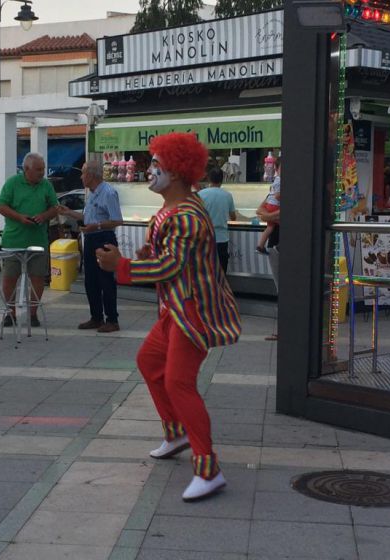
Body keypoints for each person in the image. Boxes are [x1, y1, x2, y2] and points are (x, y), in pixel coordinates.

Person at [96, 133, 241, 502]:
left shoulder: (187, 216)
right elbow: (169, 255)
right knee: (148, 361)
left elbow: (171, 266)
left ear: (175, 172)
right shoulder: (171, 211)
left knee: (179, 383)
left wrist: (122, 266)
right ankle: (176, 433)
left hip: (191, 311)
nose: (149, 170)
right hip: (174, 309)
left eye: (156, 164)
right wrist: (147, 251)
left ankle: (208, 469)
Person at [58, 160, 124, 333]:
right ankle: (96, 317)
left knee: (106, 280)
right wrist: (68, 212)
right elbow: (88, 218)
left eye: (83, 172)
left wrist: (97, 227)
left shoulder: (108, 192)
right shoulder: (92, 193)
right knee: (91, 281)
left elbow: (117, 220)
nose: (81, 176)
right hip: (90, 238)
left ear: (92, 174)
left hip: (103, 237)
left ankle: (112, 319)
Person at [0, 152, 58, 327]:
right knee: (10, 277)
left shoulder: (46, 185)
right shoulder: (12, 183)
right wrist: (19, 217)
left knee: (37, 277)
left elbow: (55, 207)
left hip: (38, 240)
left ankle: (33, 313)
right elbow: (1, 206)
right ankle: (11, 313)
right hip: (14, 240)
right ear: (26, 169)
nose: (42, 173)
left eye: (43, 169)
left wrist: (44, 216)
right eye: (38, 170)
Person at [256, 167, 281, 342]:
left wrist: (268, 216)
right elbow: (260, 212)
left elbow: (265, 214)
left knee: (285, 289)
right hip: (275, 246)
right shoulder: (275, 190)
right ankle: (283, 329)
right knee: (281, 288)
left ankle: (284, 329)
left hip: (280, 246)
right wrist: (270, 216)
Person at [198, 167, 236, 274]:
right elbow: (233, 216)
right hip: (222, 238)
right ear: (222, 180)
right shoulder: (227, 195)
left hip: (205, 238)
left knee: (205, 271)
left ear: (209, 179)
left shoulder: (201, 194)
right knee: (221, 271)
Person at [256, 158, 281, 255]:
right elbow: (259, 211)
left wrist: (268, 216)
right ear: (276, 168)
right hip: (274, 206)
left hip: (270, 206)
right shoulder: (280, 181)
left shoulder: (276, 181)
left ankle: (260, 246)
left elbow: (261, 212)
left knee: (270, 227)